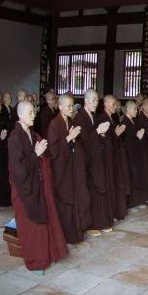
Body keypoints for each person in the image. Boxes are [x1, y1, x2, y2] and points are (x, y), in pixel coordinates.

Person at [8, 100, 68, 274]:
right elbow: (18, 168)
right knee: (30, 227)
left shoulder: (32, 134)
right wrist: (35, 153)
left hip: (37, 186)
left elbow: (46, 151)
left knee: (41, 226)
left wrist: (43, 151)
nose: (33, 115)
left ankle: (44, 257)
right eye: (30, 113)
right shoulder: (15, 137)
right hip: (24, 190)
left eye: (34, 112)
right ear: (20, 115)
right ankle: (34, 262)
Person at [47, 94, 89, 244]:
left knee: (75, 198)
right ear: (60, 107)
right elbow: (53, 150)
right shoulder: (54, 124)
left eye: (72, 105)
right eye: (68, 106)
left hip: (72, 167)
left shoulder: (69, 121)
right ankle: (63, 234)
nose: (71, 109)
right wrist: (68, 138)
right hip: (61, 170)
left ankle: (74, 233)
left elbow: (76, 144)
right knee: (64, 201)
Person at [76, 90, 114, 234]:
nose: (95, 103)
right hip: (86, 161)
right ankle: (92, 224)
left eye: (97, 100)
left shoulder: (92, 116)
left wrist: (101, 134)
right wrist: (97, 133)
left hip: (96, 159)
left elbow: (93, 137)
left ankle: (100, 221)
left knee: (99, 189)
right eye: (93, 100)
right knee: (92, 190)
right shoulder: (80, 117)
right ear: (85, 101)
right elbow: (82, 140)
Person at [97, 94, 129, 220]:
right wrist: (115, 135)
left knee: (117, 183)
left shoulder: (113, 119)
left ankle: (116, 211)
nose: (114, 106)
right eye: (111, 103)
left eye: (115, 103)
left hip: (115, 157)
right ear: (105, 104)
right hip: (107, 158)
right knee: (110, 184)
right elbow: (102, 141)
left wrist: (117, 135)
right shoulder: (101, 119)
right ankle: (111, 212)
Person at [122, 100, 148, 209]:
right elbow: (127, 142)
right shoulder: (124, 122)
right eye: (134, 109)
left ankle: (139, 200)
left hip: (137, 154)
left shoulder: (133, 121)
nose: (137, 111)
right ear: (128, 109)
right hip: (130, 156)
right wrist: (137, 138)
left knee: (138, 177)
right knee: (133, 178)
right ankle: (133, 203)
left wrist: (139, 137)